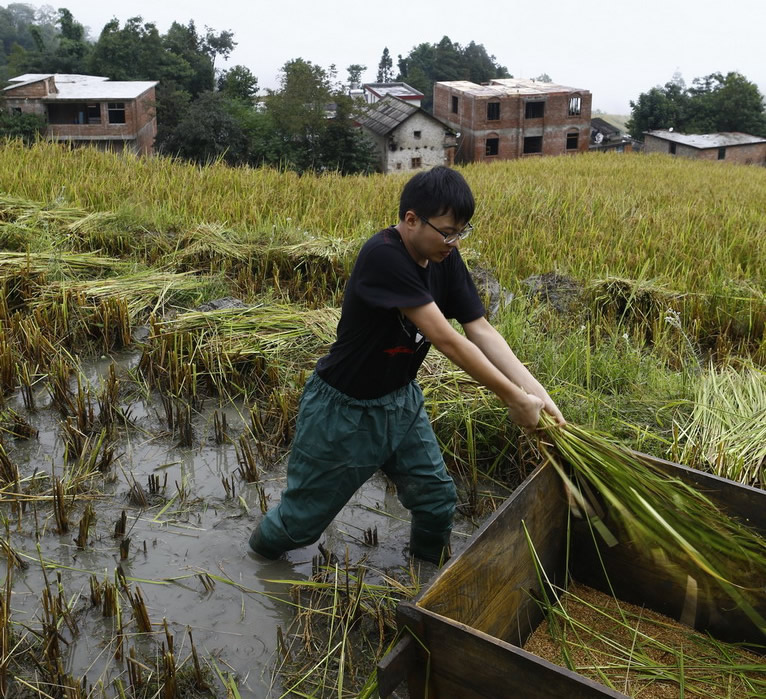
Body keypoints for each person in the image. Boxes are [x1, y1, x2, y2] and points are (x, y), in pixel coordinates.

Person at [249, 166, 564, 565]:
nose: (453, 242)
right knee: (301, 524)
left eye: (461, 232)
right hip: (343, 412)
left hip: (401, 402)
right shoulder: (383, 255)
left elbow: (480, 329)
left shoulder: (443, 256)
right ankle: (255, 564)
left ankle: (423, 585)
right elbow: (446, 338)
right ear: (411, 219)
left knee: (436, 501)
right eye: (447, 231)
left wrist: (537, 395)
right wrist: (512, 398)